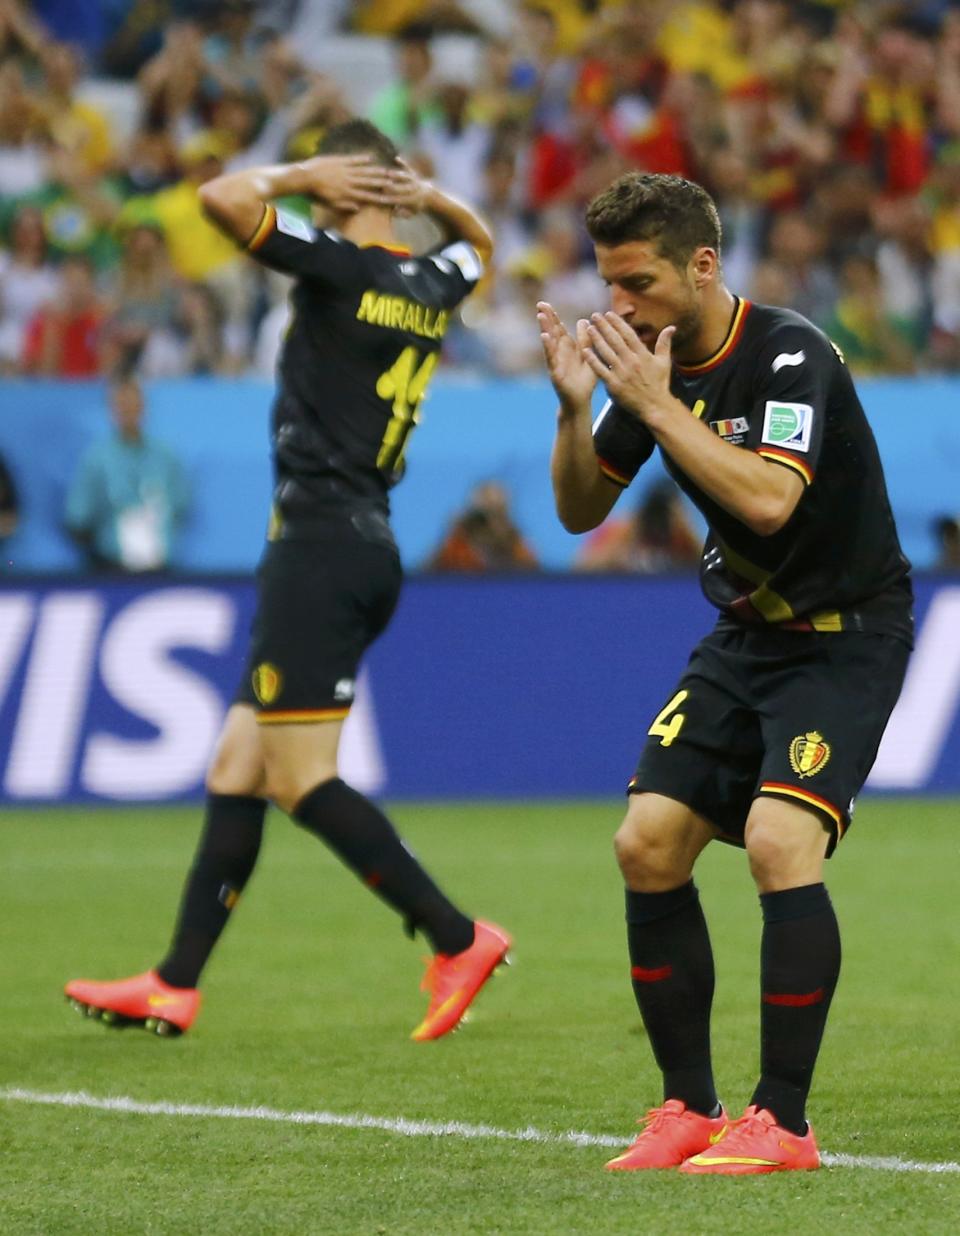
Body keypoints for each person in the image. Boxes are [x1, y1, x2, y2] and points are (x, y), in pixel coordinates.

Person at [66, 118, 510, 1042]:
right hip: (363, 539)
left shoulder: (338, 266)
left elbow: (222, 199)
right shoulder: (430, 281)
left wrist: (303, 170)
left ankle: (457, 936)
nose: (315, 186)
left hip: (317, 542)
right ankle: (173, 983)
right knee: (239, 764)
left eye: (332, 171)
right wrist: (422, 197)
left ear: (358, 182)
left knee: (303, 780)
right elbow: (482, 245)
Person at [539, 172, 912, 1174]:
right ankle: (686, 1108)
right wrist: (579, 412)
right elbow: (579, 510)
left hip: (844, 636)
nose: (620, 306)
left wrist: (657, 407)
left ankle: (782, 1121)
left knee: (779, 841)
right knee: (646, 843)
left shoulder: (790, 353)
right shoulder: (650, 363)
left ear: (704, 265)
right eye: (610, 284)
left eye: (640, 282)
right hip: (745, 636)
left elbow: (767, 505)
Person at [64, 377, 190, 572]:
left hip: (160, 569)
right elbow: (78, 517)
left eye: (134, 405)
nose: (129, 412)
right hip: (111, 567)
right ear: (112, 411)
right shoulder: (97, 459)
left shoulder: (165, 456)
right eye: (123, 406)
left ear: (144, 408)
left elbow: (181, 505)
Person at [428, 480, 539, 572]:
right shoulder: (457, 543)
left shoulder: (516, 543)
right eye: (485, 517)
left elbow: (532, 576)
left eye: (498, 514)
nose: (493, 522)